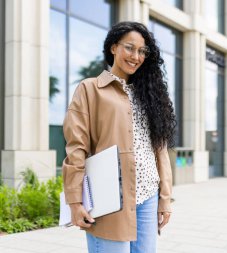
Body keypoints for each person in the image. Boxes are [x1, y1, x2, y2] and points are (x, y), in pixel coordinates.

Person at [62, 21, 176, 253]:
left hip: (148, 196)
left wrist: (165, 197)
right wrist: (75, 200)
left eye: (142, 51)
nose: (136, 56)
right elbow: (77, 147)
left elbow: (160, 150)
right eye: (129, 48)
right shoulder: (90, 89)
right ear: (113, 48)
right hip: (110, 196)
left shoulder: (150, 95)